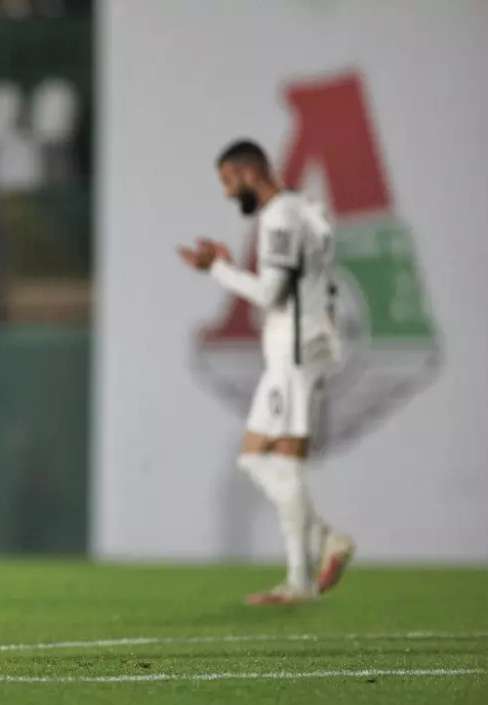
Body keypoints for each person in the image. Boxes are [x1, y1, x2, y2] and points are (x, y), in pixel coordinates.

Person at [178, 139, 355, 604]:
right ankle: (314, 555)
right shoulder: (307, 208)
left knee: (275, 460)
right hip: (310, 344)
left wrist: (219, 269)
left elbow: (270, 293)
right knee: (259, 457)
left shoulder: (279, 217)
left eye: (227, 180)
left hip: (295, 351)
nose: (226, 192)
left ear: (248, 172)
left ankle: (305, 572)